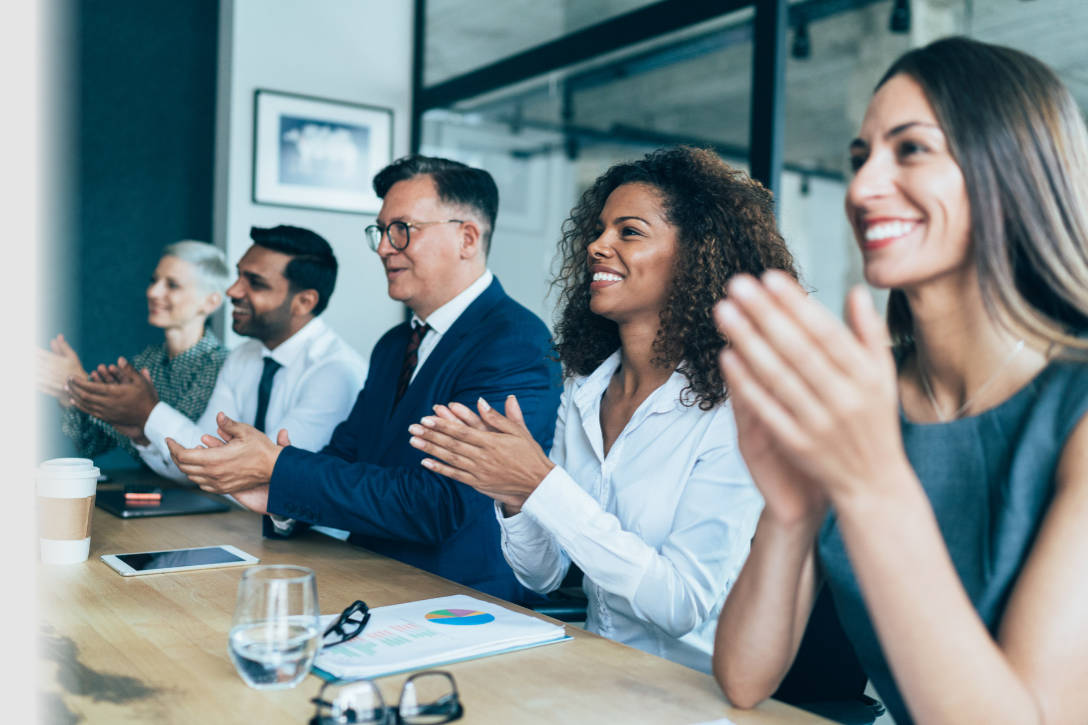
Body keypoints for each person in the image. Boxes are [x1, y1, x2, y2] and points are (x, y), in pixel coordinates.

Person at [711, 37, 1088, 725]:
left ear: (1012, 169)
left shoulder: (1077, 410)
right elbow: (742, 676)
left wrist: (871, 483)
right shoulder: (864, 395)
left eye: (910, 149)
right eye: (859, 159)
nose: (860, 188)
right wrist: (791, 509)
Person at [408, 146, 797, 672]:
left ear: (696, 254)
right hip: (593, 673)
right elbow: (542, 575)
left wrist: (542, 484)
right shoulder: (585, 392)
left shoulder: (736, 410)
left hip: (688, 696)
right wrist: (516, 497)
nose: (597, 245)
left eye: (628, 232)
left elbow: (681, 605)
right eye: (598, 229)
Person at [166, 155, 561, 602]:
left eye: (402, 230)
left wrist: (280, 469)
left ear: (466, 237)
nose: (384, 248)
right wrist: (277, 492)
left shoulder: (515, 343)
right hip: (365, 582)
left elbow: (442, 505)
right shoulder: (395, 344)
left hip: (458, 602)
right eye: (381, 230)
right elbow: (349, 455)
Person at [67, 225, 367, 497]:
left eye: (256, 283)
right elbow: (202, 460)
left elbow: (257, 473)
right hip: (238, 528)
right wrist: (140, 432)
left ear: (304, 302)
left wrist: (149, 412)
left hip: (316, 546)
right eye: (238, 276)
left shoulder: (334, 372)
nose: (232, 291)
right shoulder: (243, 357)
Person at [37, 240, 229, 464]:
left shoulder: (221, 366)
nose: (153, 292)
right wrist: (70, 395)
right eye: (154, 281)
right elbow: (91, 443)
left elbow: (178, 445)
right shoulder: (148, 360)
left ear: (211, 301)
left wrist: (82, 385)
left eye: (172, 285)